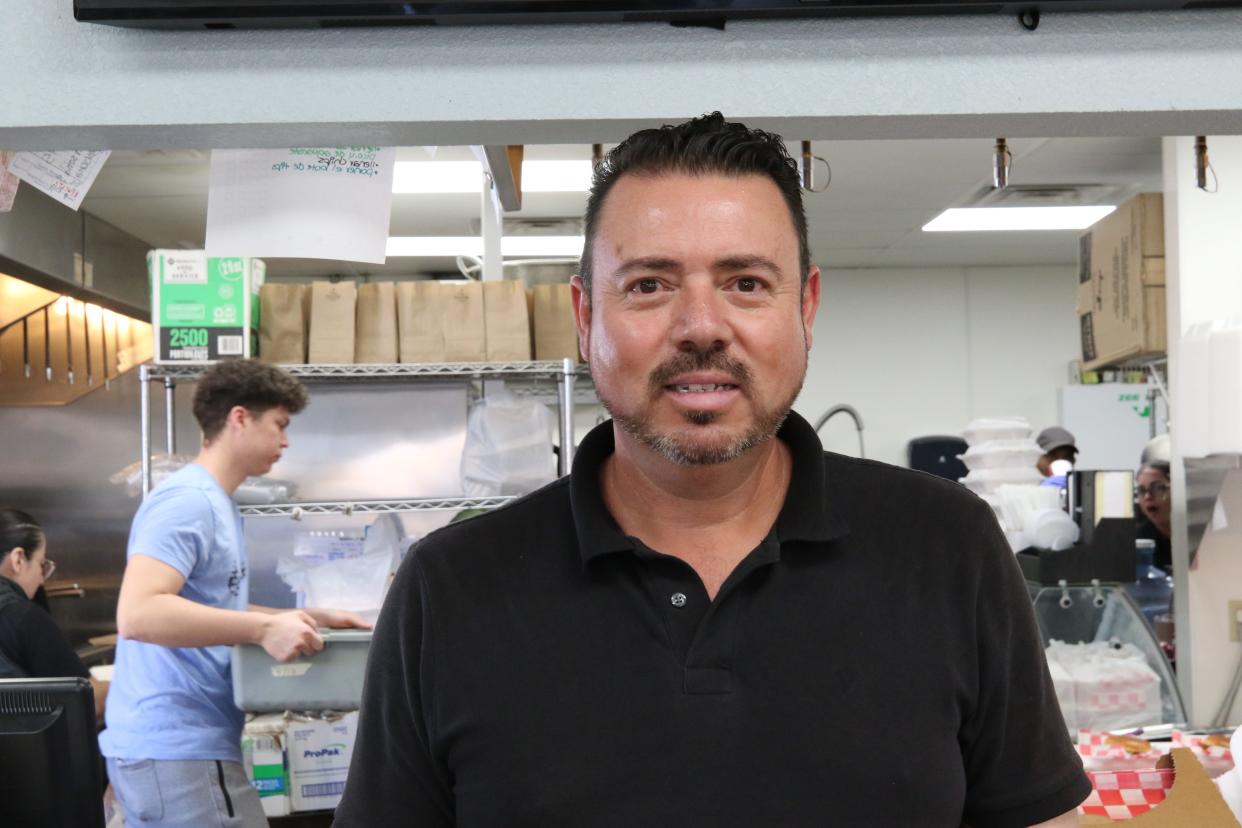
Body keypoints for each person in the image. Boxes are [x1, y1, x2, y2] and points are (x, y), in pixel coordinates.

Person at [336, 114, 1089, 827]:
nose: (701, 328)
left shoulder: (947, 545)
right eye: (649, 285)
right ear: (586, 316)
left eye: (747, 283)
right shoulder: (450, 588)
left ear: (808, 308)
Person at [100, 359, 370, 828]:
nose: (286, 441)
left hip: (187, 744)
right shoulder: (187, 502)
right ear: (240, 418)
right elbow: (140, 614)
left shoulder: (216, 502)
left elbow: (204, 606)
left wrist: (310, 616)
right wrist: (264, 628)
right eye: (280, 425)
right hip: (174, 745)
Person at [0, 508, 108, 717]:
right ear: (19, 559)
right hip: (19, 749)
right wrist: (126, 687)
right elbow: (89, 701)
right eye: (42, 564)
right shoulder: (26, 618)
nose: (42, 579)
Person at [1136, 434, 1173, 574]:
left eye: (1157, 488)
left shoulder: (1204, 535)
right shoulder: (1138, 542)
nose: (1148, 496)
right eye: (1141, 490)